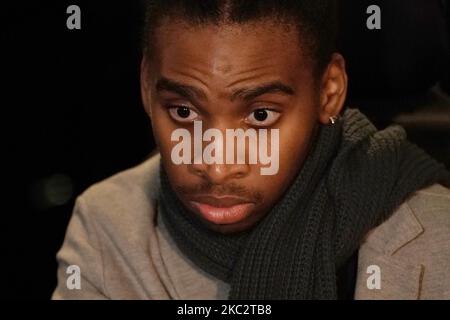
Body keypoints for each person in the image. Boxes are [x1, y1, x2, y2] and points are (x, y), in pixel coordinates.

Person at [53, 0, 450, 300]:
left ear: (329, 92)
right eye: (183, 111)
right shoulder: (107, 226)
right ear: (145, 87)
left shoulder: (435, 234)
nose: (218, 168)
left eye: (260, 115)